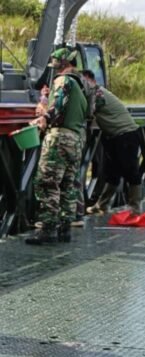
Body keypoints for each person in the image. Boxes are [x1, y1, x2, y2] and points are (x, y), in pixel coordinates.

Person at [25, 48, 88, 245]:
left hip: (59, 137)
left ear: (64, 63)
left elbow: (58, 103)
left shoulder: (63, 81)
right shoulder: (82, 86)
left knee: (47, 182)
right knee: (68, 185)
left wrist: (44, 117)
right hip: (75, 139)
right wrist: (46, 98)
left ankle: (47, 229)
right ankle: (64, 228)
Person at [81, 69, 143, 216]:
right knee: (112, 172)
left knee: (130, 170)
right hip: (113, 136)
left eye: (84, 81)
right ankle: (102, 205)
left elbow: (88, 112)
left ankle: (135, 207)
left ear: (92, 81)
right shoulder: (93, 93)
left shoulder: (97, 93)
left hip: (126, 134)